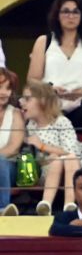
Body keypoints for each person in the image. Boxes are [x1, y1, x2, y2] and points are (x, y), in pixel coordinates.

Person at [27, 0, 82, 138]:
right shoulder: (44, 41)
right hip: (50, 101)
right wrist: (50, 89)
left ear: (81, 15)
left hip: (81, 102)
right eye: (66, 11)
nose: (71, 16)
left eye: (75, 12)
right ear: (57, 15)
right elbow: (33, 79)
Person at [22, 81, 82, 215]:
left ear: (43, 102)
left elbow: (70, 151)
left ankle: (69, 204)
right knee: (57, 161)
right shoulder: (30, 126)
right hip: (48, 172)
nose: (22, 102)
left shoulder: (61, 122)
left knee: (68, 158)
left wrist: (43, 146)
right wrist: (51, 158)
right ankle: (45, 204)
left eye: (27, 99)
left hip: (76, 169)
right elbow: (34, 159)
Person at [0, 67, 24, 216]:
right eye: (0, 87)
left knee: (0, 161)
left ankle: (3, 209)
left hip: (9, 166)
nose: (4, 92)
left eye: (8, 88)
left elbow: (14, 147)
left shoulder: (15, 113)